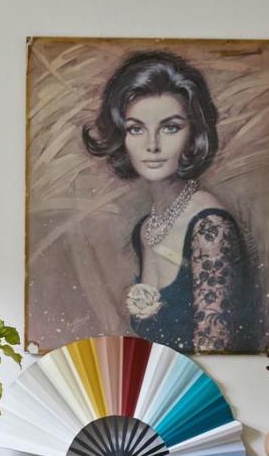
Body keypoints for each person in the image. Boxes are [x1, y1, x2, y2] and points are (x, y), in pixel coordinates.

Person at [82, 50, 258, 352]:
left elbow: (217, 356)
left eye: (170, 127)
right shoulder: (146, 229)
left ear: (193, 135)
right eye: (136, 129)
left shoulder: (209, 227)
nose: (152, 145)